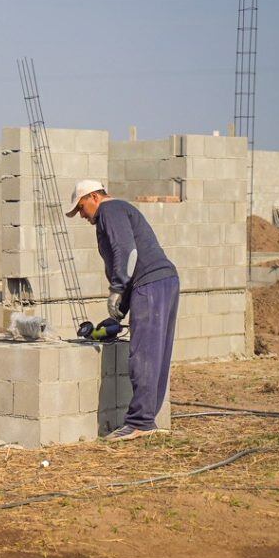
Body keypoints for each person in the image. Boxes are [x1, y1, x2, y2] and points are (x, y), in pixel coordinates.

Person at [66, 179, 179, 442]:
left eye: (81, 208)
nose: (82, 216)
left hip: (150, 283)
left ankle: (140, 422)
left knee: (143, 354)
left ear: (94, 197)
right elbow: (132, 259)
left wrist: (116, 289)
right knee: (156, 354)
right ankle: (146, 418)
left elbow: (126, 252)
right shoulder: (119, 211)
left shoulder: (110, 210)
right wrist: (119, 311)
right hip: (163, 281)